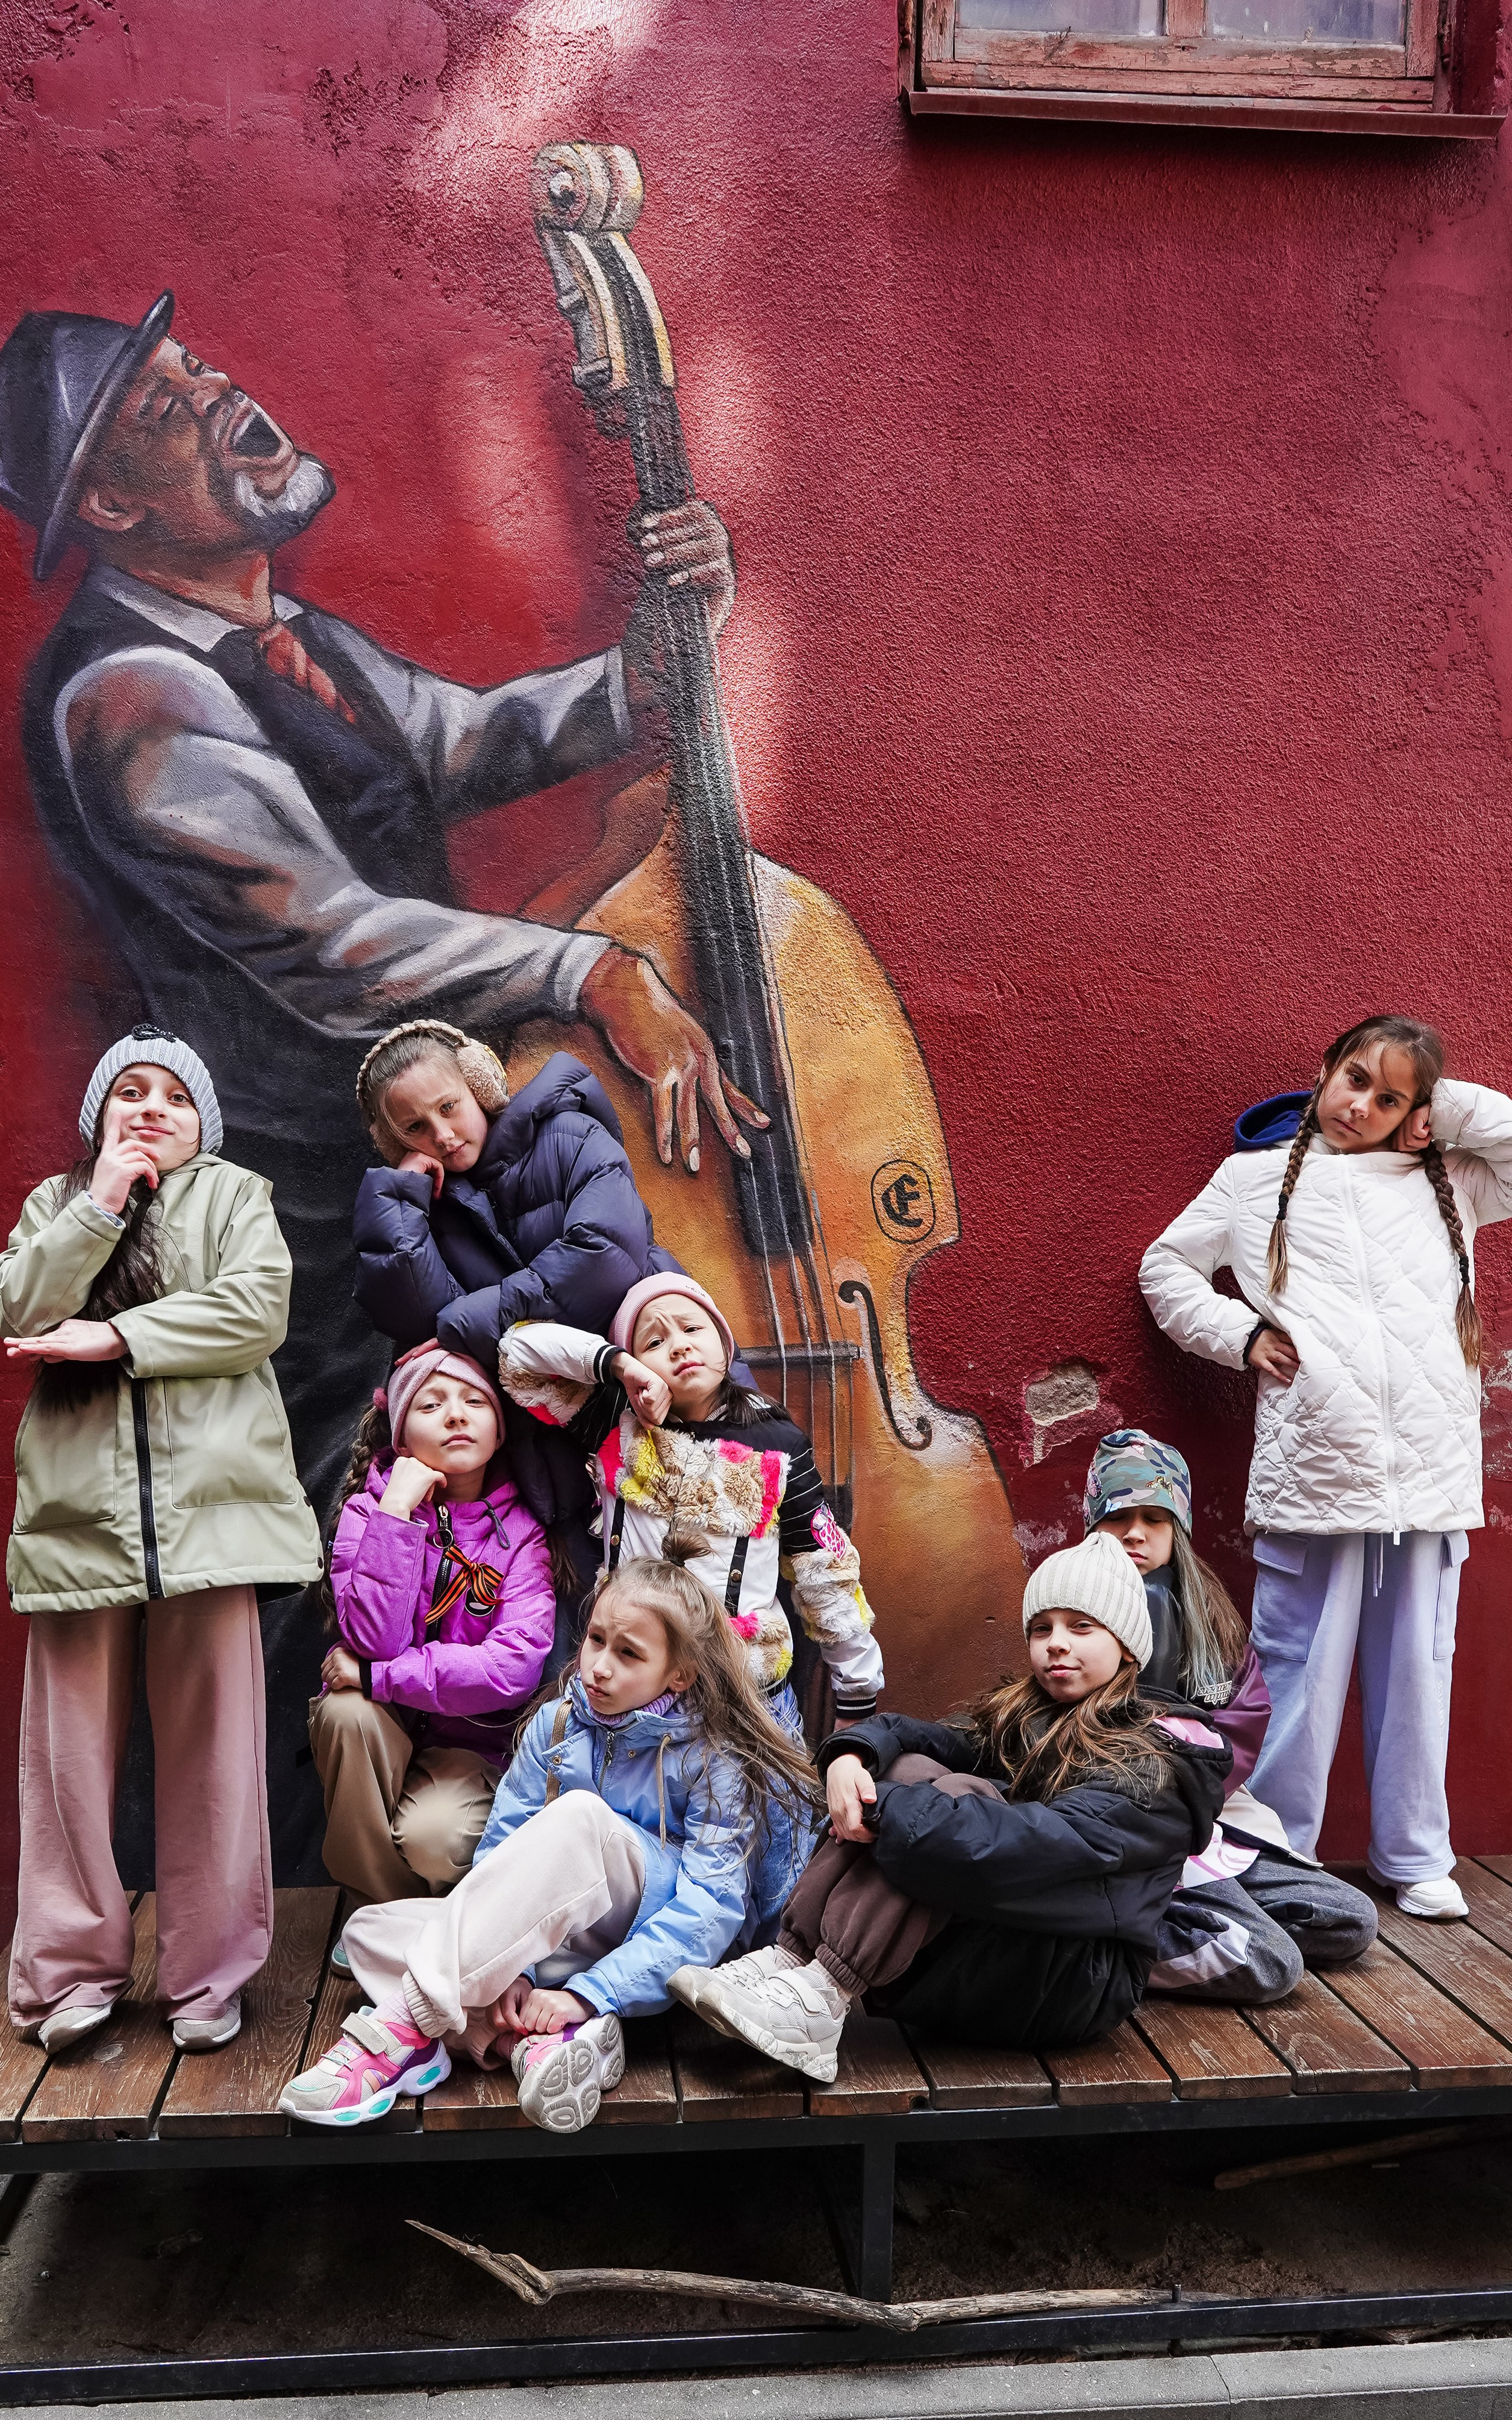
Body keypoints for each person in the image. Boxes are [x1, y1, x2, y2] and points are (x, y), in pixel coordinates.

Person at [0, 295, 767, 1523]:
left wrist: (654, 662)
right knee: (338, 1508)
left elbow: (461, 741)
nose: (214, 391)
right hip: (305, 1215)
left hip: (398, 1160)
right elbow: (334, 939)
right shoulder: (131, 691)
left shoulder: (283, 636)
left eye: (197, 364)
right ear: (112, 504)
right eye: (162, 406)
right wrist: (592, 973)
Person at [1140, 1015, 1512, 1921]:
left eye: (1389, 1098)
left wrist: (1437, 1113)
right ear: (1323, 1070)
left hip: (1427, 1479)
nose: (1360, 1106)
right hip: (1313, 1472)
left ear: (1415, 1111)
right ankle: (1279, 1850)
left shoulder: (1449, 1179)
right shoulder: (1251, 1179)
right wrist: (1240, 1334)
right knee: (1296, 1671)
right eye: (1353, 1079)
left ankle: (1415, 1853)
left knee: (1419, 1671)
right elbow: (1165, 1268)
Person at [1, 1023, 321, 2053]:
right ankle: (66, 1978)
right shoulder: (55, 1204)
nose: (151, 1109)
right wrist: (97, 1207)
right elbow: (17, 1303)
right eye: (130, 1091)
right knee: (65, 1763)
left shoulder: (235, 1197)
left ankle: (208, 1977)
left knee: (217, 1757)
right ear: (100, 1116)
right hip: (77, 1522)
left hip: (213, 1520)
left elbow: (256, 1310)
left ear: (203, 1123)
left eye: (175, 1096)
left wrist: (117, 1336)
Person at [278, 1540, 822, 2131]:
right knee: (368, 1932)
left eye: (628, 1653)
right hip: (563, 1940)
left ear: (679, 1673)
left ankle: (406, 2030)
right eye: (595, 1640)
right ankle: (535, 2044)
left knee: (579, 1817)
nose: (600, 1665)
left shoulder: (713, 1756)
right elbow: (500, 1854)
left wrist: (589, 1992)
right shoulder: (558, 1723)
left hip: (644, 1944)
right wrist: (518, 1973)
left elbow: (710, 1912)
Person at [669, 1532, 1230, 2082]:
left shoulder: (1152, 1761)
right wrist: (851, 1755)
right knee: (909, 1770)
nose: (1057, 1643)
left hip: (1073, 1979)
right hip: (1010, 1939)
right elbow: (926, 1742)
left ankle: (824, 1992)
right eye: (1042, 1628)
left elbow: (1027, 1844)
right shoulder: (1029, 1714)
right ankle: (794, 1959)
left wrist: (883, 1811)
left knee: (959, 1801)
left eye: (1081, 1627)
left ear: (1128, 1646)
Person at [350, 1017, 683, 1564]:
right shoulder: (428, 1208)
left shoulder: (571, 1136)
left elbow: (602, 1260)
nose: (442, 1135)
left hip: (661, 1399)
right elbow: (416, 1324)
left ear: (480, 1084)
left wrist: (469, 1325)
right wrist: (401, 1198)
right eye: (414, 1127)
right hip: (551, 1460)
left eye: (449, 1106)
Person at [498, 1273, 884, 1729]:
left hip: (744, 1703)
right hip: (627, 1693)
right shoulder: (616, 1425)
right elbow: (517, 1356)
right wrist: (618, 1366)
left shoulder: (778, 1445)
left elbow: (825, 1574)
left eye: (692, 1329)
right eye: (655, 1342)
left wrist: (856, 1701)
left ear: (723, 1341)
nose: (679, 1346)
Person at [1083, 1429, 1376, 2004]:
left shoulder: (1209, 1618)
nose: (1136, 1532)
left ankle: (1196, 1917)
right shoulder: (1073, 1613)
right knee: (1271, 1964)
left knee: (1350, 1921)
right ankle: (1103, 1945)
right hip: (1133, 1823)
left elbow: (1246, 1716)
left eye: (1155, 1518)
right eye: (1118, 1518)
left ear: (1179, 1529)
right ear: (1094, 1526)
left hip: (1212, 1811)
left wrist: (1201, 1781)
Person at [313, 1346, 556, 1904]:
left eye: (475, 1402)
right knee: (345, 1712)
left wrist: (378, 1677)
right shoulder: (367, 1513)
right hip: (381, 1733)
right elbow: (373, 1639)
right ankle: (381, 1910)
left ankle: (408, 1915)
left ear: (499, 1431)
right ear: (401, 1438)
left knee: (437, 1841)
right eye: (431, 1404)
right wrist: (397, 1512)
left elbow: (511, 1668)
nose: (456, 1415)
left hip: (470, 1743)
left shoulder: (522, 1533)